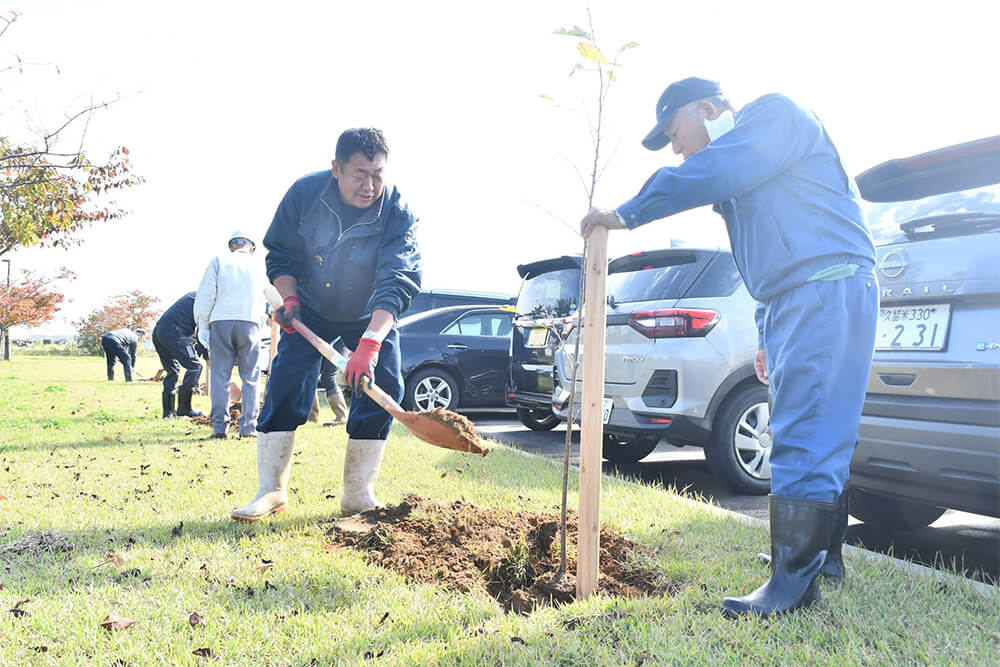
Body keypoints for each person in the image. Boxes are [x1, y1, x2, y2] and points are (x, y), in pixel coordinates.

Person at [580, 77, 877, 618]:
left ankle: (793, 581)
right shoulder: (745, 173)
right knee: (817, 424)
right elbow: (758, 257)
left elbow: (706, 171)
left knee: (803, 429)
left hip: (822, 287)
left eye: (675, 132)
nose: (677, 147)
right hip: (800, 296)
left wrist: (626, 213)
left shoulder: (772, 117)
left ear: (709, 109)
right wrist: (766, 328)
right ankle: (820, 558)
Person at [231, 127, 422, 521]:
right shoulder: (305, 194)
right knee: (286, 379)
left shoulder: (397, 212)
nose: (370, 185)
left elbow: (398, 279)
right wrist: (289, 298)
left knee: (386, 382)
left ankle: (358, 493)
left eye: (377, 174)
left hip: (370, 309)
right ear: (336, 168)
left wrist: (369, 345)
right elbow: (281, 255)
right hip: (311, 305)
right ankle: (271, 490)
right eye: (359, 175)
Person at [194, 230, 266, 439]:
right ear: (251, 247)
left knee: (219, 377)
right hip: (250, 323)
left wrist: (202, 323)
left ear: (232, 246)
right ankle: (248, 428)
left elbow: (207, 294)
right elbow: (272, 294)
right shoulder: (259, 265)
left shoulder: (219, 261)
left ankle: (219, 428)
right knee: (251, 377)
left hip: (221, 322)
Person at [152, 292, 207, 419]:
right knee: (195, 366)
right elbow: (202, 332)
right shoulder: (205, 301)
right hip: (174, 331)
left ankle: (168, 412)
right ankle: (184, 409)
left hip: (159, 331)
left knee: (172, 370)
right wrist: (207, 356)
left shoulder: (194, 296)